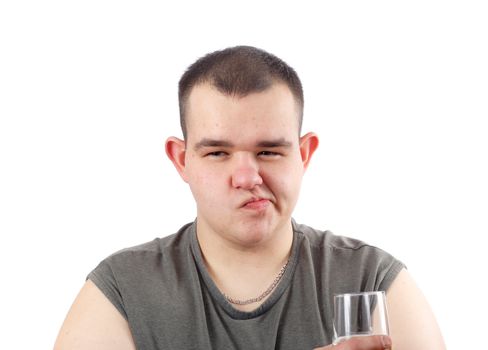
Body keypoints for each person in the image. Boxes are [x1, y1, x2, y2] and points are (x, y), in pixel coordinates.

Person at [54, 46, 445, 350]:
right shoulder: (123, 289)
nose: (246, 177)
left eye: (269, 152)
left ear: (304, 154)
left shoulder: (372, 280)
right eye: (217, 153)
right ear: (181, 160)